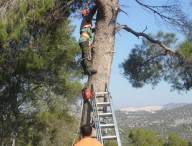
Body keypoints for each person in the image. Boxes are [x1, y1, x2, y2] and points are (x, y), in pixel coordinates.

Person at [79, 2, 97, 76]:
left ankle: (84, 70)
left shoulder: (84, 22)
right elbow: (92, 12)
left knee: (84, 56)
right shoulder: (86, 18)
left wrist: (94, 29)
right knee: (86, 55)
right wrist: (97, 5)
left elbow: (89, 31)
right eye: (87, 11)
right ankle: (89, 68)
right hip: (84, 40)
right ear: (86, 13)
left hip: (82, 40)